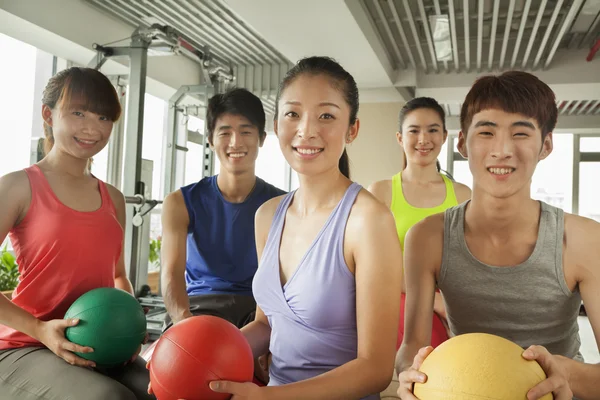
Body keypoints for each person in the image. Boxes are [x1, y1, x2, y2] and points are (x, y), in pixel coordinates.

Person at [203, 56, 403, 399]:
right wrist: (194, 359)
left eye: (326, 115)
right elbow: (268, 325)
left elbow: (376, 369)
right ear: (278, 124)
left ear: (352, 129)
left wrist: (269, 397)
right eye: (292, 114)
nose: (306, 130)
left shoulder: (368, 220)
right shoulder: (267, 215)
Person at [395, 71, 600, 400]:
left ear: (545, 145)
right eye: (486, 132)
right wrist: (411, 375)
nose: (502, 150)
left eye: (521, 133)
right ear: (462, 142)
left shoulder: (585, 240)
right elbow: (412, 348)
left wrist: (566, 374)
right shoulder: (427, 238)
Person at [0, 67, 153, 400]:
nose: (91, 128)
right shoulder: (16, 186)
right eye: (78, 113)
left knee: (169, 389)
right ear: (48, 114)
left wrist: (127, 325)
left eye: (102, 117)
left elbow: (118, 277)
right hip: (25, 345)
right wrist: (41, 329)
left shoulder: (113, 198)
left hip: (97, 342)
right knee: (109, 399)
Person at [160, 87, 285, 333]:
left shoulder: (281, 204)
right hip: (198, 308)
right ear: (211, 139)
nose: (235, 142)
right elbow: (171, 275)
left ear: (261, 138)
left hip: (259, 311)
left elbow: (283, 280)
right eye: (225, 133)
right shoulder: (180, 202)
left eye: (246, 131)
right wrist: (184, 324)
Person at [368, 97, 471, 351]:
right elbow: (377, 265)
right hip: (400, 302)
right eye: (414, 131)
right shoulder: (381, 192)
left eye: (432, 130)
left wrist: (449, 304)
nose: (423, 139)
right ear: (400, 138)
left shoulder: (463, 195)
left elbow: (470, 264)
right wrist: (434, 302)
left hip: (454, 304)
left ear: (444, 136)